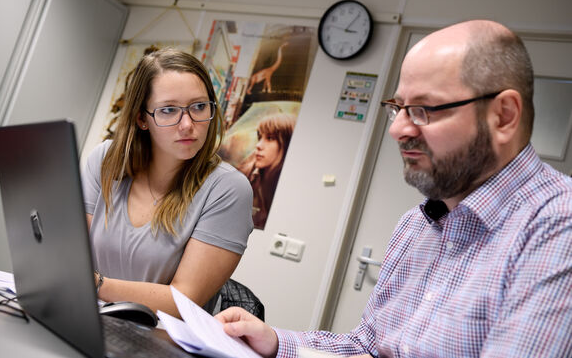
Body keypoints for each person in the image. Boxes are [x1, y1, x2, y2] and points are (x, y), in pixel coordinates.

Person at [216, 20, 572, 357]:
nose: (398, 129)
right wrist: (276, 342)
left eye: (423, 109)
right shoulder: (417, 225)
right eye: (398, 108)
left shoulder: (557, 228)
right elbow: (369, 346)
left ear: (504, 116)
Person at [82, 48, 254, 318]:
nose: (187, 124)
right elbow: (76, 252)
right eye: (169, 110)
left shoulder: (228, 189)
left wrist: (96, 285)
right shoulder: (106, 160)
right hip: (89, 320)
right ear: (142, 119)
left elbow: (183, 300)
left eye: (199, 106)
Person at [238, 113, 296, 227]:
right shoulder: (245, 176)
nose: (259, 145)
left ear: (286, 143)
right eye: (260, 137)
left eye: (270, 138)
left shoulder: (291, 187)